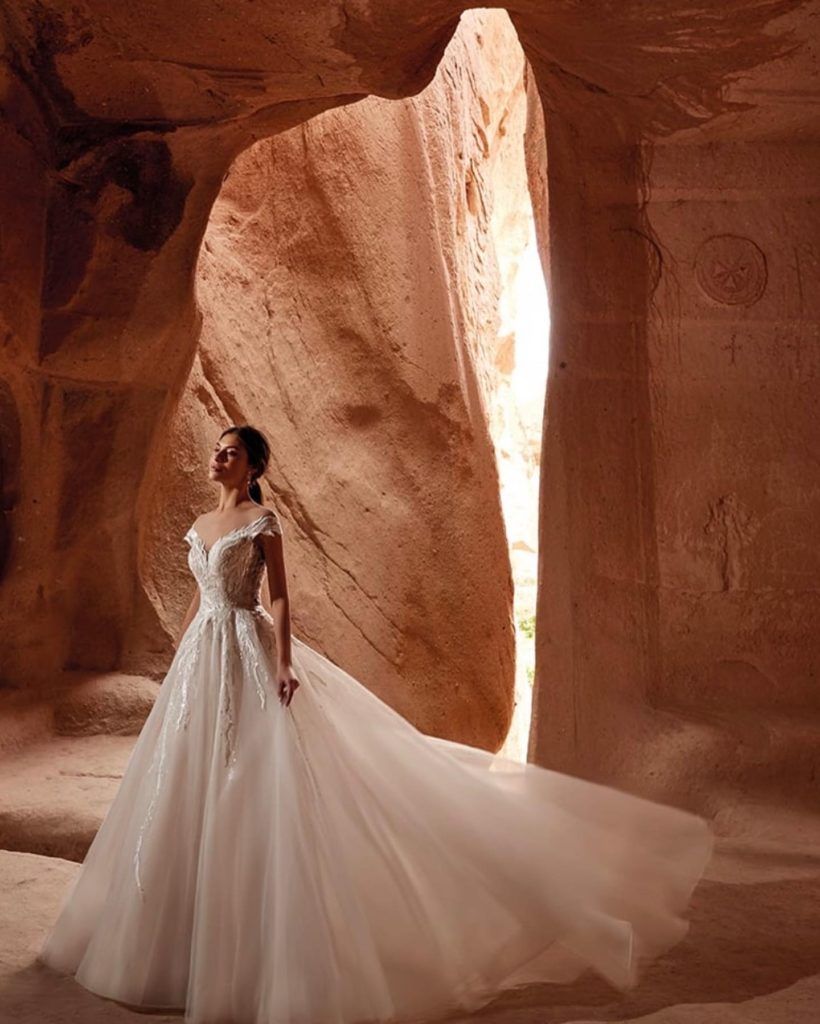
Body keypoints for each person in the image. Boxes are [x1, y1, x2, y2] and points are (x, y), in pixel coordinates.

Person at [37, 423, 714, 1024]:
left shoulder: (261, 524)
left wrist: (284, 661)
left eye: (231, 454)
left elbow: (279, 599)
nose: (217, 460)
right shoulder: (199, 525)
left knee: (259, 788)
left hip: (248, 652)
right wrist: (176, 664)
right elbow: (197, 600)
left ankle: (265, 952)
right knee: (185, 790)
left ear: (253, 468)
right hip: (200, 663)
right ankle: (180, 946)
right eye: (217, 452)